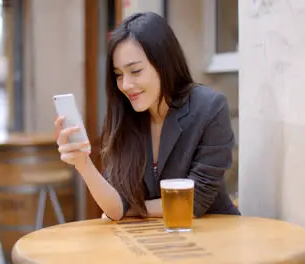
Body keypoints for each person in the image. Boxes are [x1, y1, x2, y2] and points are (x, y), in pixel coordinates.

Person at [55, 12, 240, 220]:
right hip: (156, 240)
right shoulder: (124, 117)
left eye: (135, 71)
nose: (125, 85)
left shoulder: (210, 108)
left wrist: (133, 210)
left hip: (214, 236)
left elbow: (193, 201)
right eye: (118, 75)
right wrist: (83, 163)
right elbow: (115, 208)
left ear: (164, 63)